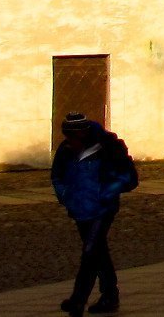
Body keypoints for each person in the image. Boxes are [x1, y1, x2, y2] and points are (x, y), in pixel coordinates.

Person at [50, 112, 138, 314]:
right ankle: (110, 295)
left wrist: (105, 192)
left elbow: (129, 177)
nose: (70, 142)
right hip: (79, 208)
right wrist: (65, 196)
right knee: (98, 253)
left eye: (73, 137)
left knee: (90, 252)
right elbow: (57, 176)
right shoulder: (66, 150)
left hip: (102, 209)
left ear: (82, 133)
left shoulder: (107, 146)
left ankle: (78, 299)